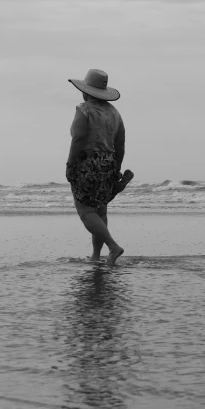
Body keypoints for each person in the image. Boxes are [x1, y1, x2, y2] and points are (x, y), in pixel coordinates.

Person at [66, 69, 134, 265]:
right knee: (100, 210)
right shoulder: (114, 113)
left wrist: (71, 165)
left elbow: (78, 138)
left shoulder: (84, 109)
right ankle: (97, 256)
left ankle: (113, 247)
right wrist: (116, 168)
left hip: (88, 162)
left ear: (85, 91)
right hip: (109, 162)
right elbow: (120, 144)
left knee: (85, 210)